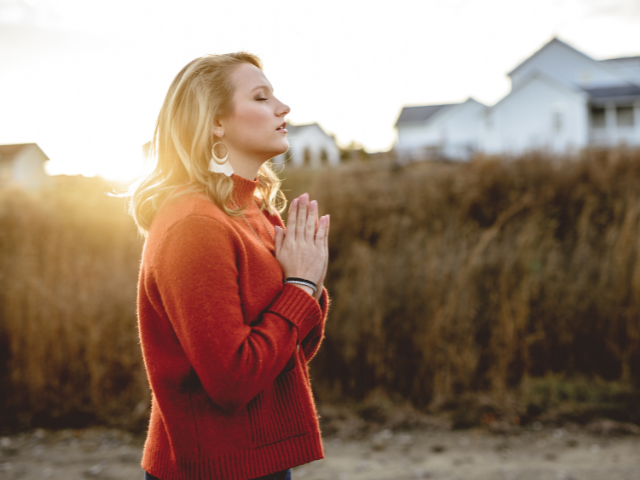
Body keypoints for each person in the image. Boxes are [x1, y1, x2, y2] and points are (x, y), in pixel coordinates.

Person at [127, 52, 331, 480]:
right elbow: (233, 381)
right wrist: (299, 284)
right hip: (210, 470)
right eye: (261, 97)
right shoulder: (194, 225)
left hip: (260, 460)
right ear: (216, 122)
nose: (283, 108)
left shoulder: (253, 211)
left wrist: (308, 283)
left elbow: (291, 355)